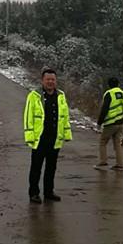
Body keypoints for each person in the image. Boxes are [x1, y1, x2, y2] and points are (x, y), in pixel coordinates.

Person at [23, 68, 72, 203]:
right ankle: (34, 193)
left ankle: (49, 192)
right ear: (42, 81)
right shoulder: (34, 96)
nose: (50, 82)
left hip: (55, 138)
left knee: (51, 167)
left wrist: (67, 133)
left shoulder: (60, 95)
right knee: (36, 168)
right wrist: (29, 136)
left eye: (53, 79)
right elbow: (28, 117)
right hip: (40, 139)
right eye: (48, 79)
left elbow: (65, 116)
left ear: (56, 81)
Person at [94, 77, 123, 171]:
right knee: (117, 144)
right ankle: (119, 164)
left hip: (110, 123)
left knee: (103, 142)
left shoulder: (109, 94)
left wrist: (99, 122)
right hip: (120, 122)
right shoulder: (121, 93)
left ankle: (103, 161)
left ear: (109, 85)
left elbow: (105, 109)